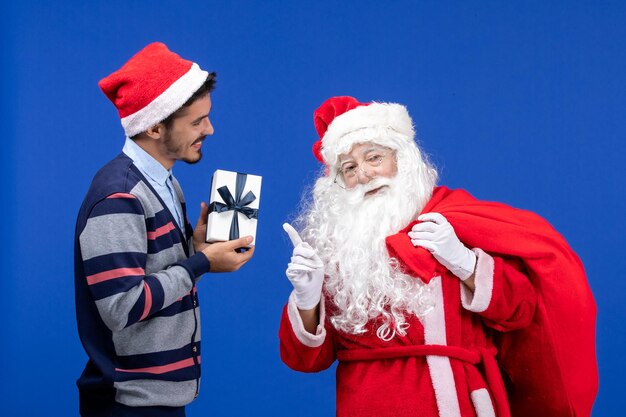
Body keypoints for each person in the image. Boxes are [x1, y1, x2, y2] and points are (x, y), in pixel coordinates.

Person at [279, 96, 597, 417]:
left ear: (401, 159)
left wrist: (465, 263)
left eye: (374, 157)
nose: (363, 174)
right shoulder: (339, 249)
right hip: (366, 404)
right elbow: (305, 360)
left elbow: (520, 310)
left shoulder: (454, 220)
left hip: (457, 403)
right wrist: (307, 301)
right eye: (349, 168)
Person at [74, 42, 255, 417]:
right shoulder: (119, 195)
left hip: (160, 399)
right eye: (196, 121)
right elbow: (123, 306)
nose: (210, 128)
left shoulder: (165, 183)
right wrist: (200, 263)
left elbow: (152, 272)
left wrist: (194, 249)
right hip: (128, 404)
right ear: (155, 126)